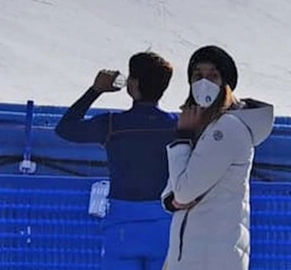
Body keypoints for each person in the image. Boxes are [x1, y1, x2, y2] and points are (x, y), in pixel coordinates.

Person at [54, 52, 177, 270]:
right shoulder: (178, 126)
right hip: (165, 223)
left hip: (122, 225)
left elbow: (66, 128)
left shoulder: (112, 124)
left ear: (133, 84)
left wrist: (96, 90)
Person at [161, 45, 274, 270]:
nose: (204, 83)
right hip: (194, 252)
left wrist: (182, 138)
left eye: (213, 75)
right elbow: (174, 188)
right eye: (197, 76)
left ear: (226, 83)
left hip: (210, 257)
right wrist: (170, 200)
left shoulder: (227, 129)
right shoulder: (205, 128)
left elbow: (184, 190)